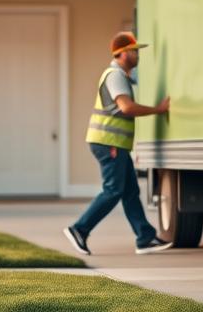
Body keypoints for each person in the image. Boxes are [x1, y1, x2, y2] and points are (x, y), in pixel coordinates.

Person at [64, 32, 172, 256]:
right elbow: (127, 107)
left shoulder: (121, 75)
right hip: (108, 143)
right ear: (121, 54)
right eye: (134, 51)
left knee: (130, 191)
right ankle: (79, 229)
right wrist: (158, 110)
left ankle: (145, 237)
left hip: (114, 143)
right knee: (113, 190)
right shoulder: (115, 75)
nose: (137, 54)